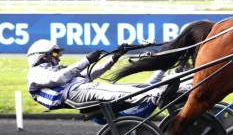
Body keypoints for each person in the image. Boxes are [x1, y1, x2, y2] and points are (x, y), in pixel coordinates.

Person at [26, 39, 165, 110]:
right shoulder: (34, 73)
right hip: (71, 94)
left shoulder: (58, 69)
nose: (58, 57)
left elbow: (92, 72)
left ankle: (161, 91)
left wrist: (115, 56)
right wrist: (86, 60)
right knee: (112, 89)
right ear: (42, 56)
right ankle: (156, 96)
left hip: (79, 89)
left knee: (138, 87)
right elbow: (60, 78)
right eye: (55, 53)